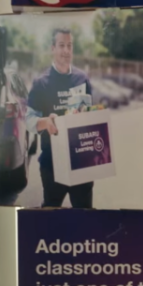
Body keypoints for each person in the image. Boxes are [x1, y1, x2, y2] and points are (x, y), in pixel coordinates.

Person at [26, 29, 94, 208]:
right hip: (52, 163)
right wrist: (46, 122)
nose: (66, 50)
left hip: (81, 162)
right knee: (51, 215)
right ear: (52, 48)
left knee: (85, 217)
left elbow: (90, 115)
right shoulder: (41, 83)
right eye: (62, 45)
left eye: (69, 46)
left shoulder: (82, 79)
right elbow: (28, 118)